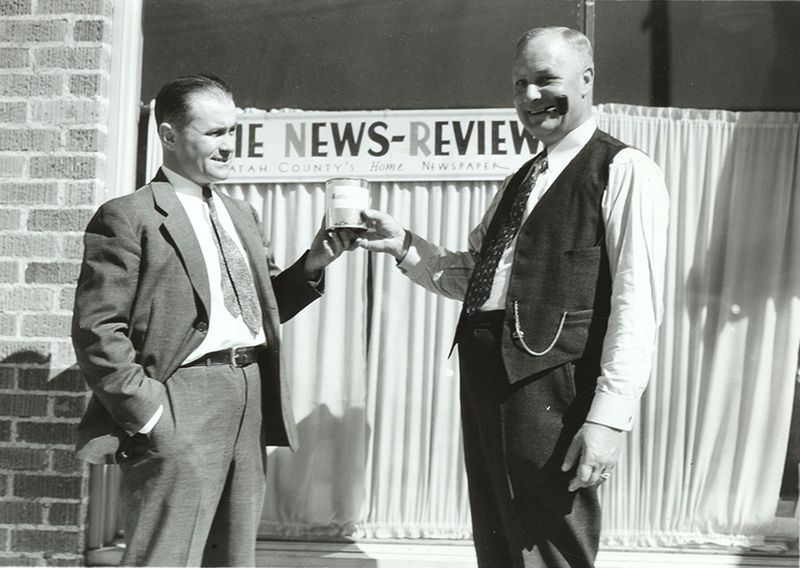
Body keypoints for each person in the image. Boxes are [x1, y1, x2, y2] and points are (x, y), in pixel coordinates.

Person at [358, 27, 669, 568]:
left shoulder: (623, 170)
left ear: (587, 80)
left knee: (550, 548)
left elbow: (636, 307)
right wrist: (404, 245)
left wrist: (607, 419)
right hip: (486, 377)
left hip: (552, 387)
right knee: (499, 544)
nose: (530, 96)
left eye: (547, 80)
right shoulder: (520, 179)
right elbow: (476, 278)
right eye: (520, 83)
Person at [71, 73, 356, 566]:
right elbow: (97, 330)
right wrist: (152, 413)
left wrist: (313, 263)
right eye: (215, 133)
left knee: (232, 555)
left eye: (233, 132)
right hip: (180, 399)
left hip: (247, 395)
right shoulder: (128, 216)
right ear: (169, 136)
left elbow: (258, 311)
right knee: (165, 555)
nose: (230, 146)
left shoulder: (240, 213)